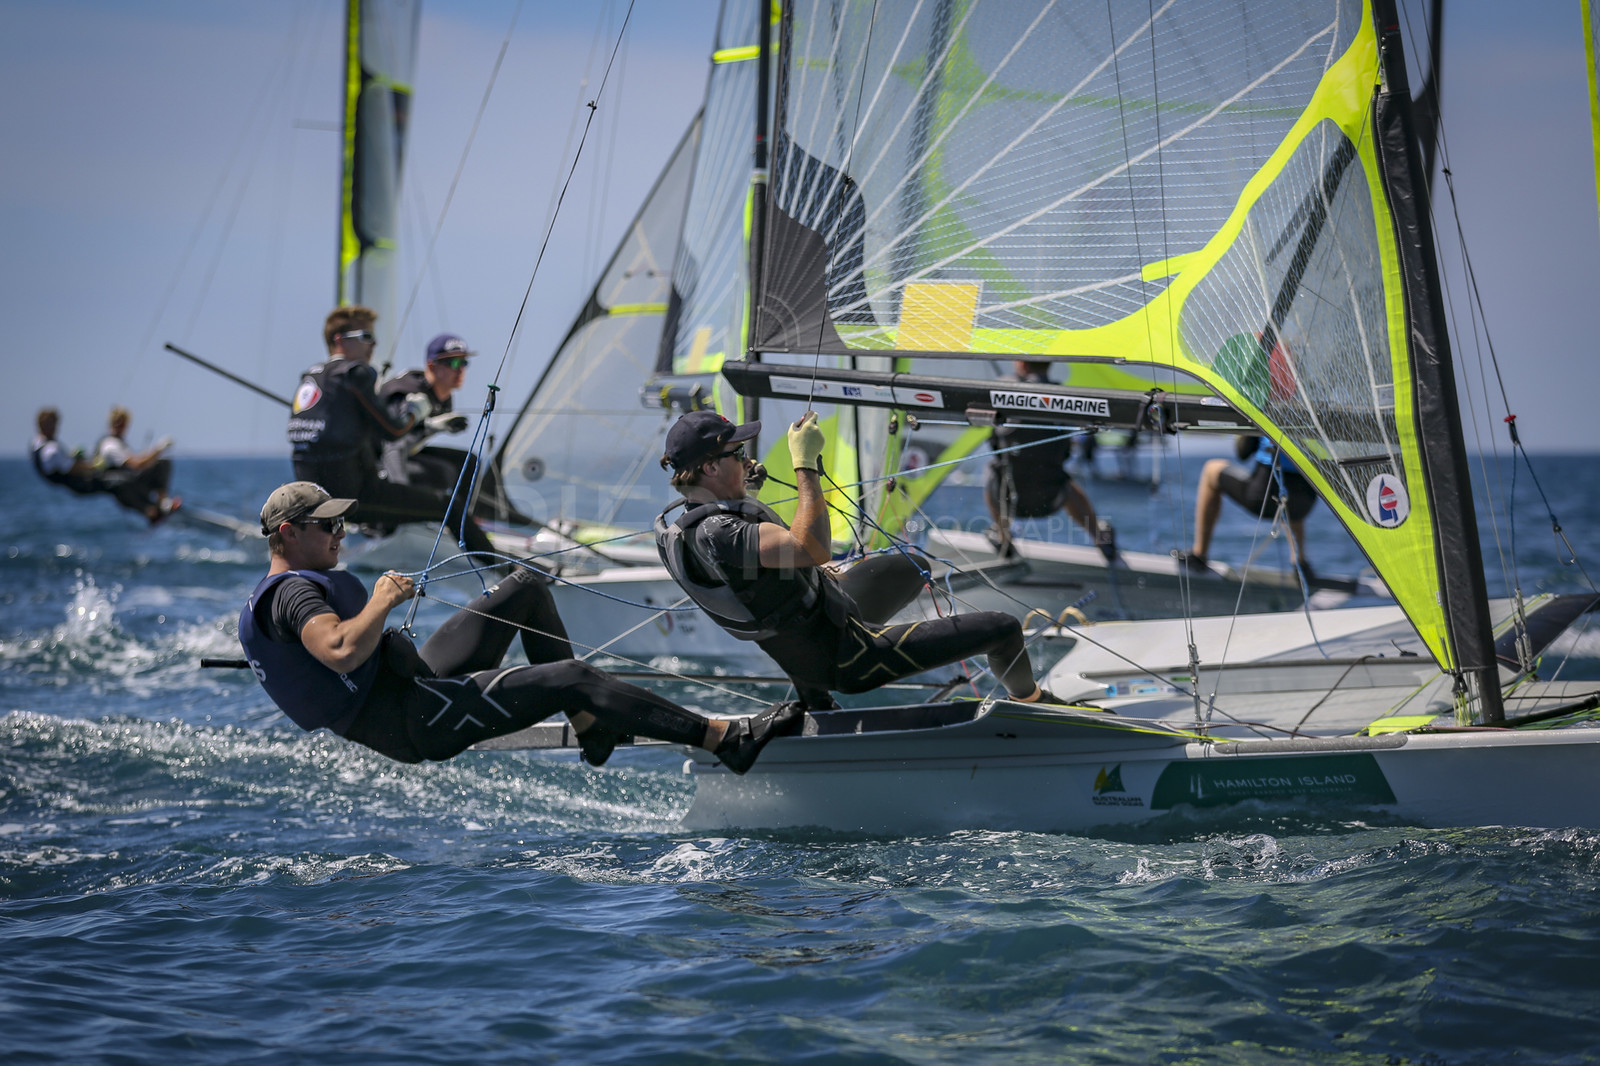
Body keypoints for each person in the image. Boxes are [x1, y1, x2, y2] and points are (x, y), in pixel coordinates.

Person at [238, 481, 798, 771]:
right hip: (410, 720)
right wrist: (382, 599)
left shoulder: (299, 585)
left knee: (526, 587)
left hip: (412, 685)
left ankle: (589, 725)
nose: (340, 531)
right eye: (327, 523)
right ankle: (723, 740)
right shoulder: (291, 594)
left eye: (343, 520)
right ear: (286, 532)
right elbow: (338, 650)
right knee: (571, 674)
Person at [654, 410, 1065, 711]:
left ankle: (816, 702)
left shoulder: (690, 524)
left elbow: (751, 576)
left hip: (817, 633)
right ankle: (1036, 702)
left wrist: (745, 494)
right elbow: (811, 549)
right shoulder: (721, 532)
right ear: (709, 466)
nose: (746, 459)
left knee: (910, 567)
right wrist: (806, 466)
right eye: (737, 452)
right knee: (1003, 628)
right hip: (847, 657)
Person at [286, 307, 496, 563]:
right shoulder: (357, 373)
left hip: (313, 499)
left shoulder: (312, 376)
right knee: (448, 507)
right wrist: (415, 414)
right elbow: (393, 432)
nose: (373, 344)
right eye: (366, 336)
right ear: (339, 339)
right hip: (353, 499)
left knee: (465, 464)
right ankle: (502, 568)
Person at [984, 361, 1116, 561]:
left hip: (1008, 498)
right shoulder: (1062, 396)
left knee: (992, 473)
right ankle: (1098, 536)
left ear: (1021, 365)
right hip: (1052, 497)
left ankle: (1003, 537)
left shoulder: (1004, 388)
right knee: (1068, 484)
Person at [1184, 434, 1319, 577]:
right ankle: (1300, 563)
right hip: (1305, 503)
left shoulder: (1266, 411)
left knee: (1211, 469)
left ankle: (1199, 554)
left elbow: (1242, 453)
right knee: (1288, 495)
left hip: (1263, 497)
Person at [376, 332, 473, 484]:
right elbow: (393, 446)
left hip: (409, 453)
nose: (460, 370)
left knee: (469, 463)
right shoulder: (407, 392)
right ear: (431, 366)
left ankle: (469, 508)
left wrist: (431, 427)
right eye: (453, 363)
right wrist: (401, 493)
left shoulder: (445, 396)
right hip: (377, 460)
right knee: (443, 474)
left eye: (464, 363)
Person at [95, 405, 179, 524]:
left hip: (130, 485)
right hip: (125, 489)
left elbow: (138, 461)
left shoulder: (120, 443)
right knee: (162, 463)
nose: (122, 427)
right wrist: (158, 449)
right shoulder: (110, 445)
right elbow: (136, 464)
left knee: (160, 463)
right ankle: (159, 505)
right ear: (112, 423)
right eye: (118, 423)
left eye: (124, 423)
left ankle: (159, 506)